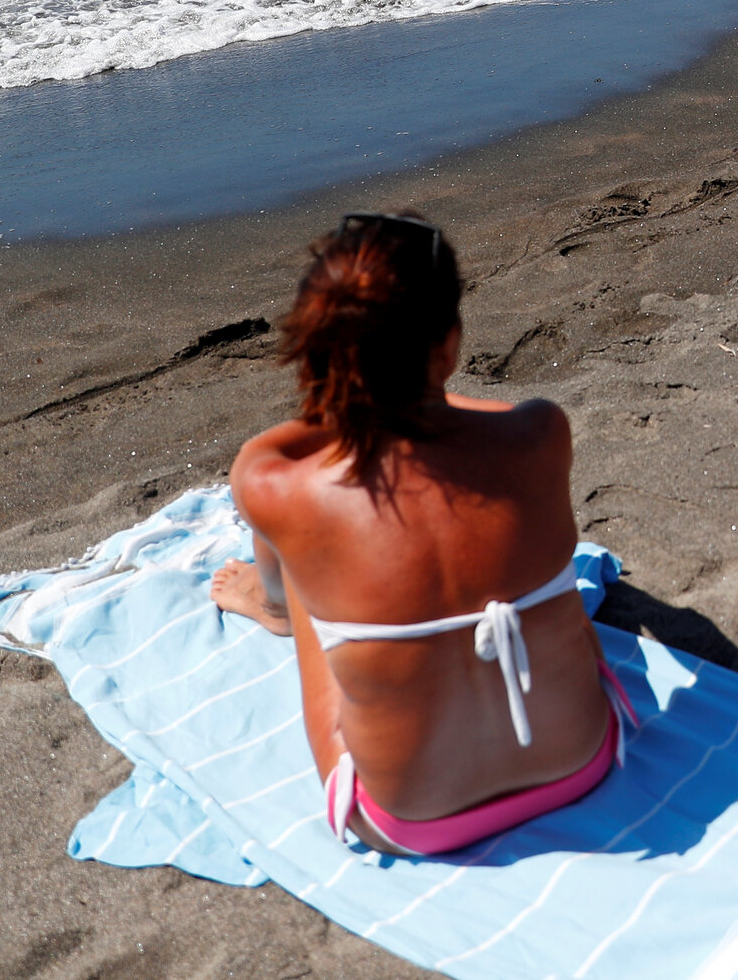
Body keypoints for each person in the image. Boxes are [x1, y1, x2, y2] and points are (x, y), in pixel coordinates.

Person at [210, 211, 627, 856]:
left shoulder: (272, 481)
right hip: (583, 763)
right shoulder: (540, 433)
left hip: (412, 822)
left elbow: (297, 440)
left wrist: (348, 391)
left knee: (302, 555)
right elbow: (464, 414)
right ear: (450, 345)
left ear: (320, 354)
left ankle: (271, 607)